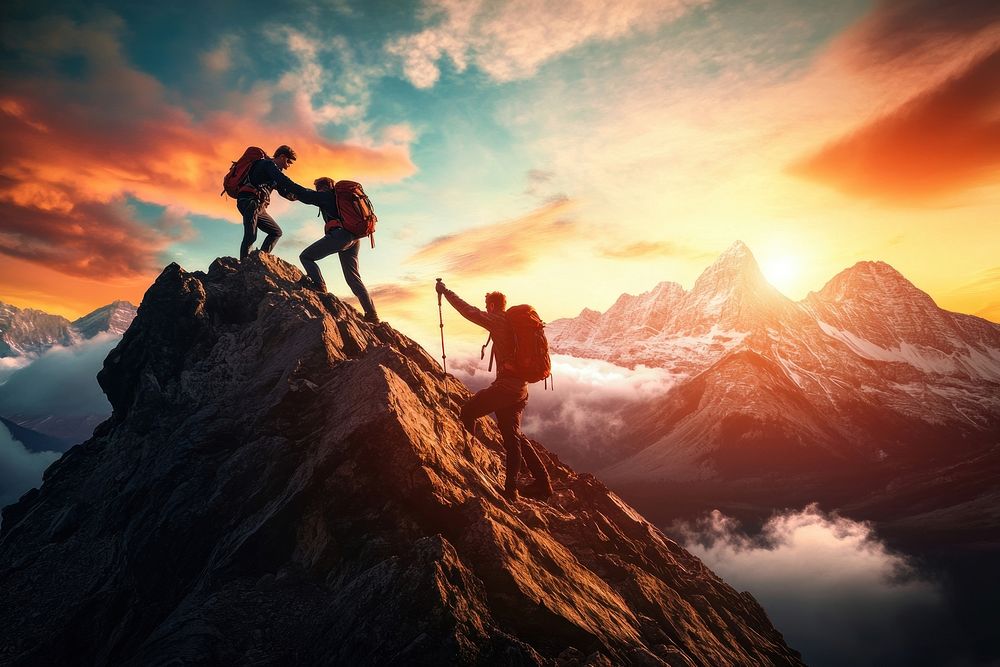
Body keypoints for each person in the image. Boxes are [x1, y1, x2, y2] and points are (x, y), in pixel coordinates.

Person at [435, 281, 553, 502]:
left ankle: (467, 460)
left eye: (487, 305)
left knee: (468, 411)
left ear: (491, 305)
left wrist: (445, 291)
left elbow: (466, 310)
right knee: (514, 437)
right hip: (520, 390)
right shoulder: (513, 323)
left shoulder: (496, 320)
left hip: (506, 388)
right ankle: (539, 485)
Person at [297, 177, 379, 323]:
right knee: (353, 277)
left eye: (318, 187)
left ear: (322, 187)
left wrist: (287, 189)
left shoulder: (326, 196)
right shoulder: (338, 197)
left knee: (306, 257)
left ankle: (319, 285)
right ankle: (372, 314)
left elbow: (304, 194)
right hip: (354, 238)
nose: (318, 190)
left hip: (341, 236)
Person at [236, 145, 313, 260]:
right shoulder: (267, 164)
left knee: (275, 232)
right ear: (282, 157)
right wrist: (305, 192)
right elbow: (284, 181)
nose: (287, 167)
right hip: (250, 201)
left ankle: (260, 259)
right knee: (250, 236)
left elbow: (283, 190)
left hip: (259, 206)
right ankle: (245, 266)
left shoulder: (273, 171)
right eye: (288, 162)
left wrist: (294, 196)